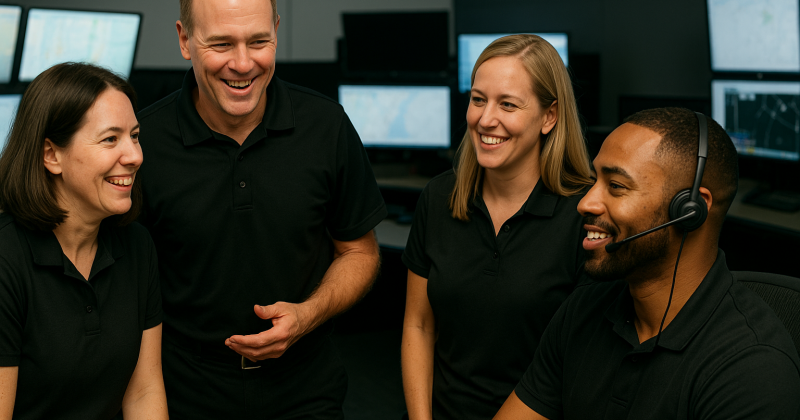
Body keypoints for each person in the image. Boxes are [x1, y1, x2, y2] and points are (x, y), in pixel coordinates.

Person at [135, 0, 386, 418]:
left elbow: (360, 252)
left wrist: (307, 316)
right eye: (221, 44)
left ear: (276, 31)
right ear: (185, 40)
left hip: (306, 390)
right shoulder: (142, 145)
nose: (242, 63)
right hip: (185, 392)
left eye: (258, 41)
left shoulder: (326, 125)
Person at [494, 107, 800, 420]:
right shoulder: (584, 307)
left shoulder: (751, 371)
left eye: (616, 186)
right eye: (595, 180)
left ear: (691, 209)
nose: (585, 203)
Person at [401, 34, 593, 420]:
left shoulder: (585, 215)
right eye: (478, 99)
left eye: (507, 104)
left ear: (550, 116)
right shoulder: (439, 197)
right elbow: (419, 326)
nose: (485, 119)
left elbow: (581, 362)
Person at [0, 63, 167, 419]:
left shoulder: (137, 246)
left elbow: (144, 392)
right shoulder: (6, 258)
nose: (135, 156)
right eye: (110, 139)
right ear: (51, 155)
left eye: (134, 136)